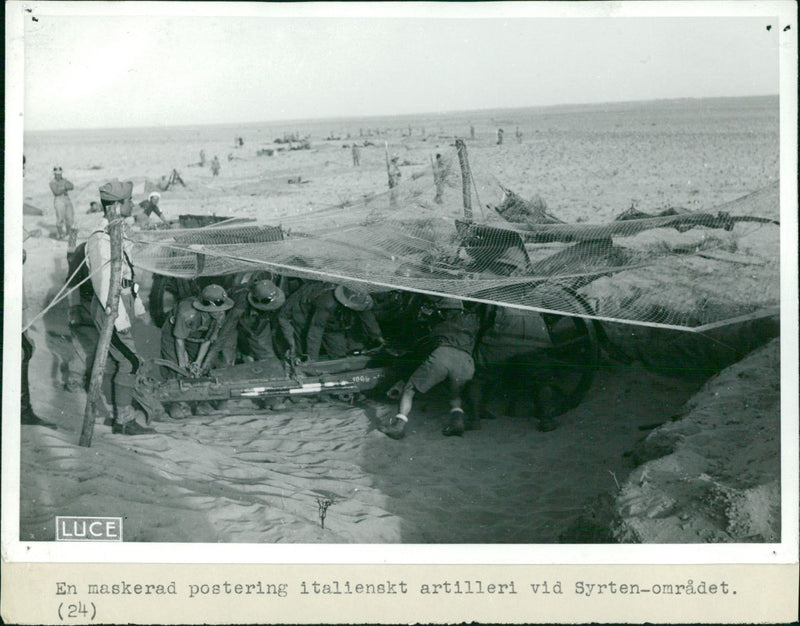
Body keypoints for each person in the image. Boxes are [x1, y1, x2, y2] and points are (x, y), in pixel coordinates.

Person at [85, 180, 154, 435]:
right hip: (110, 308)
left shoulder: (117, 230)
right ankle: (123, 421)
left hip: (121, 302)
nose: (133, 204)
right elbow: (104, 286)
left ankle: (116, 411)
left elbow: (127, 270)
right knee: (130, 362)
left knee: (123, 360)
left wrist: (135, 309)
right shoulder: (101, 239)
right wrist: (121, 322)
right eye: (128, 201)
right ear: (116, 205)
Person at [467, 246, 560, 432]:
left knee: (478, 376)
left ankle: (475, 419)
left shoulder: (493, 286)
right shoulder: (537, 288)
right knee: (542, 381)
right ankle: (547, 419)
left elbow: (484, 316)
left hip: (504, 338)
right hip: (536, 340)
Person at [382, 297, 479, 440]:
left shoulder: (439, 325)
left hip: (443, 355)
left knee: (409, 389)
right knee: (455, 393)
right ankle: (457, 422)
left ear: (443, 312)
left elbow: (426, 347)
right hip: (467, 360)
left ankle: (398, 426)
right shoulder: (473, 323)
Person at [160, 284, 235, 417]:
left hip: (197, 336)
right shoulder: (186, 313)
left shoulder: (219, 314)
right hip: (174, 336)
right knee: (175, 367)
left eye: (222, 309)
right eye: (217, 310)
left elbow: (207, 341)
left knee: (199, 370)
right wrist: (182, 365)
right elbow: (179, 340)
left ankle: (201, 403)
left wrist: (197, 363)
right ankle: (176, 404)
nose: (220, 312)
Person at [278, 283, 385, 362]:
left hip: (331, 317)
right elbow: (315, 331)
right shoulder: (327, 302)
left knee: (339, 353)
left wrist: (378, 337)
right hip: (303, 310)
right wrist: (312, 360)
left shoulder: (360, 299)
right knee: (303, 350)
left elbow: (368, 317)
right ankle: (302, 367)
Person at [21, 248, 56, 428]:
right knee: (22, 352)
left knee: (25, 350)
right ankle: (22, 410)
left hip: (18, 302)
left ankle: (23, 409)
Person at [49, 166, 75, 239]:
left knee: (70, 217)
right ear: (54, 174)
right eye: (57, 174)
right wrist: (64, 187)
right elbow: (56, 192)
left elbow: (71, 186)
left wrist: (63, 187)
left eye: (60, 174)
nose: (59, 175)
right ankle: (60, 234)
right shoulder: (52, 182)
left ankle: (68, 233)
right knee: (60, 218)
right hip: (59, 199)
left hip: (66, 198)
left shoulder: (64, 180)